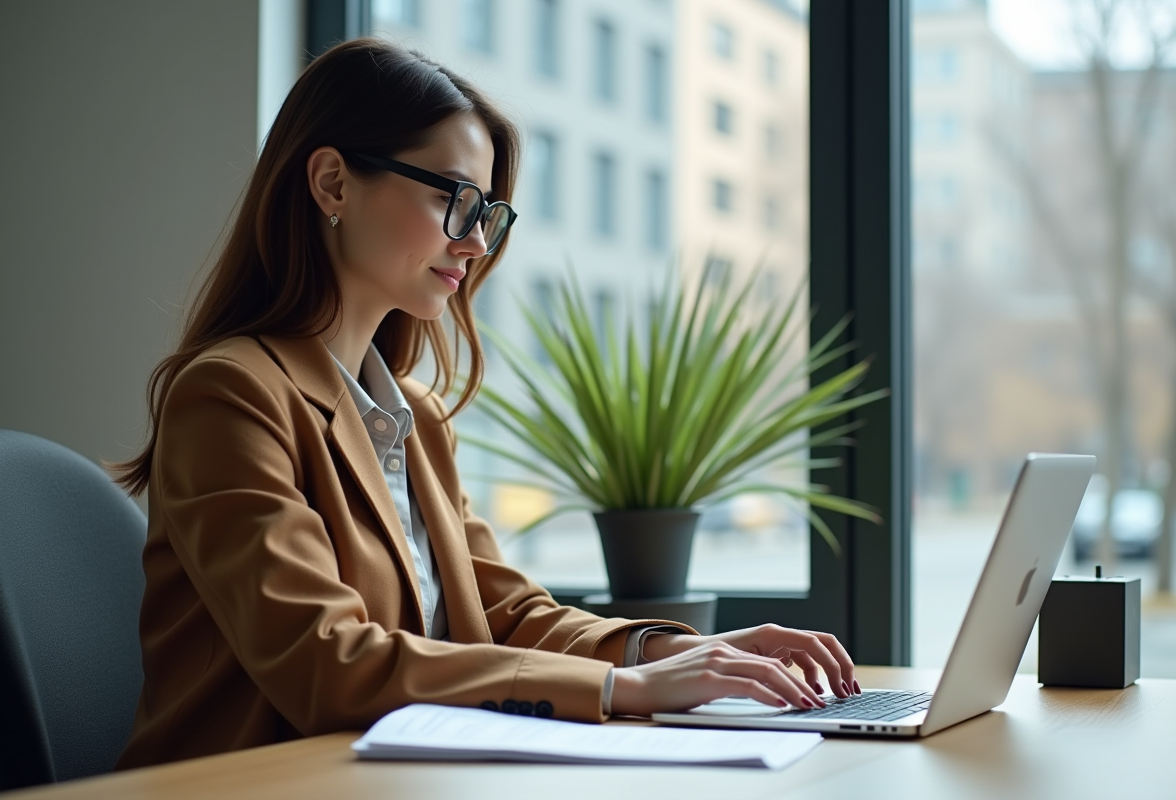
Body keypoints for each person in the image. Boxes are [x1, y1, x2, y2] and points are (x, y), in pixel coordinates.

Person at [112, 38, 859, 770]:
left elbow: (505, 616)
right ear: (333, 184)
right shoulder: (230, 394)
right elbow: (327, 664)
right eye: (453, 199)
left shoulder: (415, 419)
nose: (474, 244)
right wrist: (622, 688)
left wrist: (684, 652)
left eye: (488, 212)